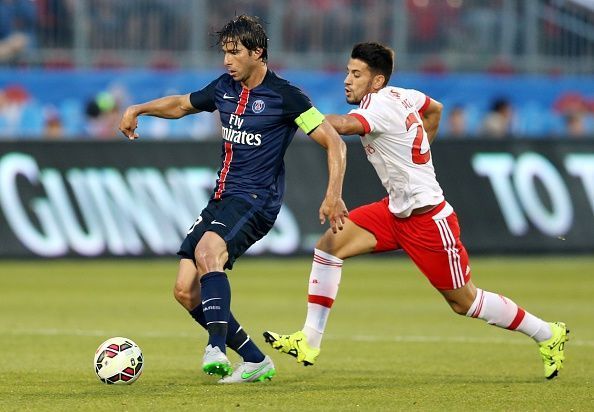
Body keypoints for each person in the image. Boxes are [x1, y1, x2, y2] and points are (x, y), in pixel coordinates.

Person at [264, 42, 568, 380]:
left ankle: (547, 333)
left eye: (356, 74)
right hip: (395, 212)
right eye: (348, 72)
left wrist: (293, 115)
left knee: (463, 302)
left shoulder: (378, 106)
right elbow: (434, 108)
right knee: (330, 247)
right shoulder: (402, 95)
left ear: (376, 81)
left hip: (428, 220)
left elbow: (343, 126)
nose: (347, 80)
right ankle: (309, 340)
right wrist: (420, 151)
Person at [119, 15, 348, 384]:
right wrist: (137, 109)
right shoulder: (224, 87)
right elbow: (181, 104)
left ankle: (215, 345)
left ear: (258, 52)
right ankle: (255, 360)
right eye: (225, 52)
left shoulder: (286, 97)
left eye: (234, 52)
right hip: (223, 197)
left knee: (208, 253)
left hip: (258, 199)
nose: (227, 60)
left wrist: (333, 193)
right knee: (184, 289)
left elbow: (334, 141)